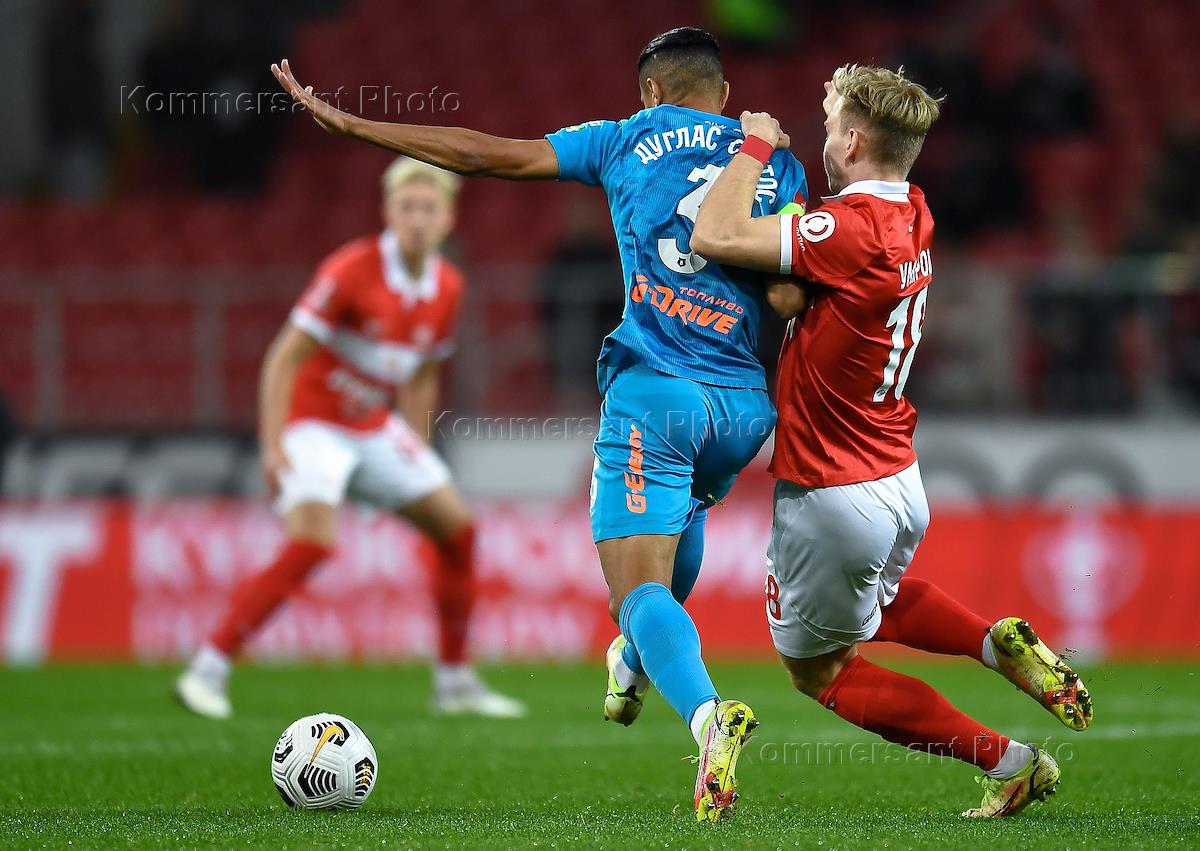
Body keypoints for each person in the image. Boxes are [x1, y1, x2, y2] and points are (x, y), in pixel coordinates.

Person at [270, 26, 809, 821]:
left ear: (651, 92)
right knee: (675, 529)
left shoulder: (624, 137)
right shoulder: (777, 160)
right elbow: (792, 296)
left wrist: (353, 124)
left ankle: (708, 720)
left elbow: (482, 153)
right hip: (743, 408)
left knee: (636, 590)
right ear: (725, 95)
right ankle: (632, 662)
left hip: (657, 393)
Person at [690, 65, 1094, 818]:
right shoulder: (914, 209)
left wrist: (754, 148)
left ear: (851, 140)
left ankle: (1010, 762)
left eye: (830, 122)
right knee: (876, 603)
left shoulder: (848, 230)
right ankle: (991, 642)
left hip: (833, 488)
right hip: (898, 477)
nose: (822, 134)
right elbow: (802, 286)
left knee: (821, 671)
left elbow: (713, 234)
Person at [175, 157, 525, 721]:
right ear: (387, 212)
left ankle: (455, 682)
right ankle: (207, 670)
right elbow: (284, 357)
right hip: (314, 424)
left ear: (448, 219)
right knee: (312, 543)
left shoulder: (448, 286)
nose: (417, 219)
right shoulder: (350, 270)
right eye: (406, 207)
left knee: (458, 531)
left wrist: (414, 446)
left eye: (428, 209)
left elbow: (422, 372)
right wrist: (272, 444)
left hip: (372, 428)